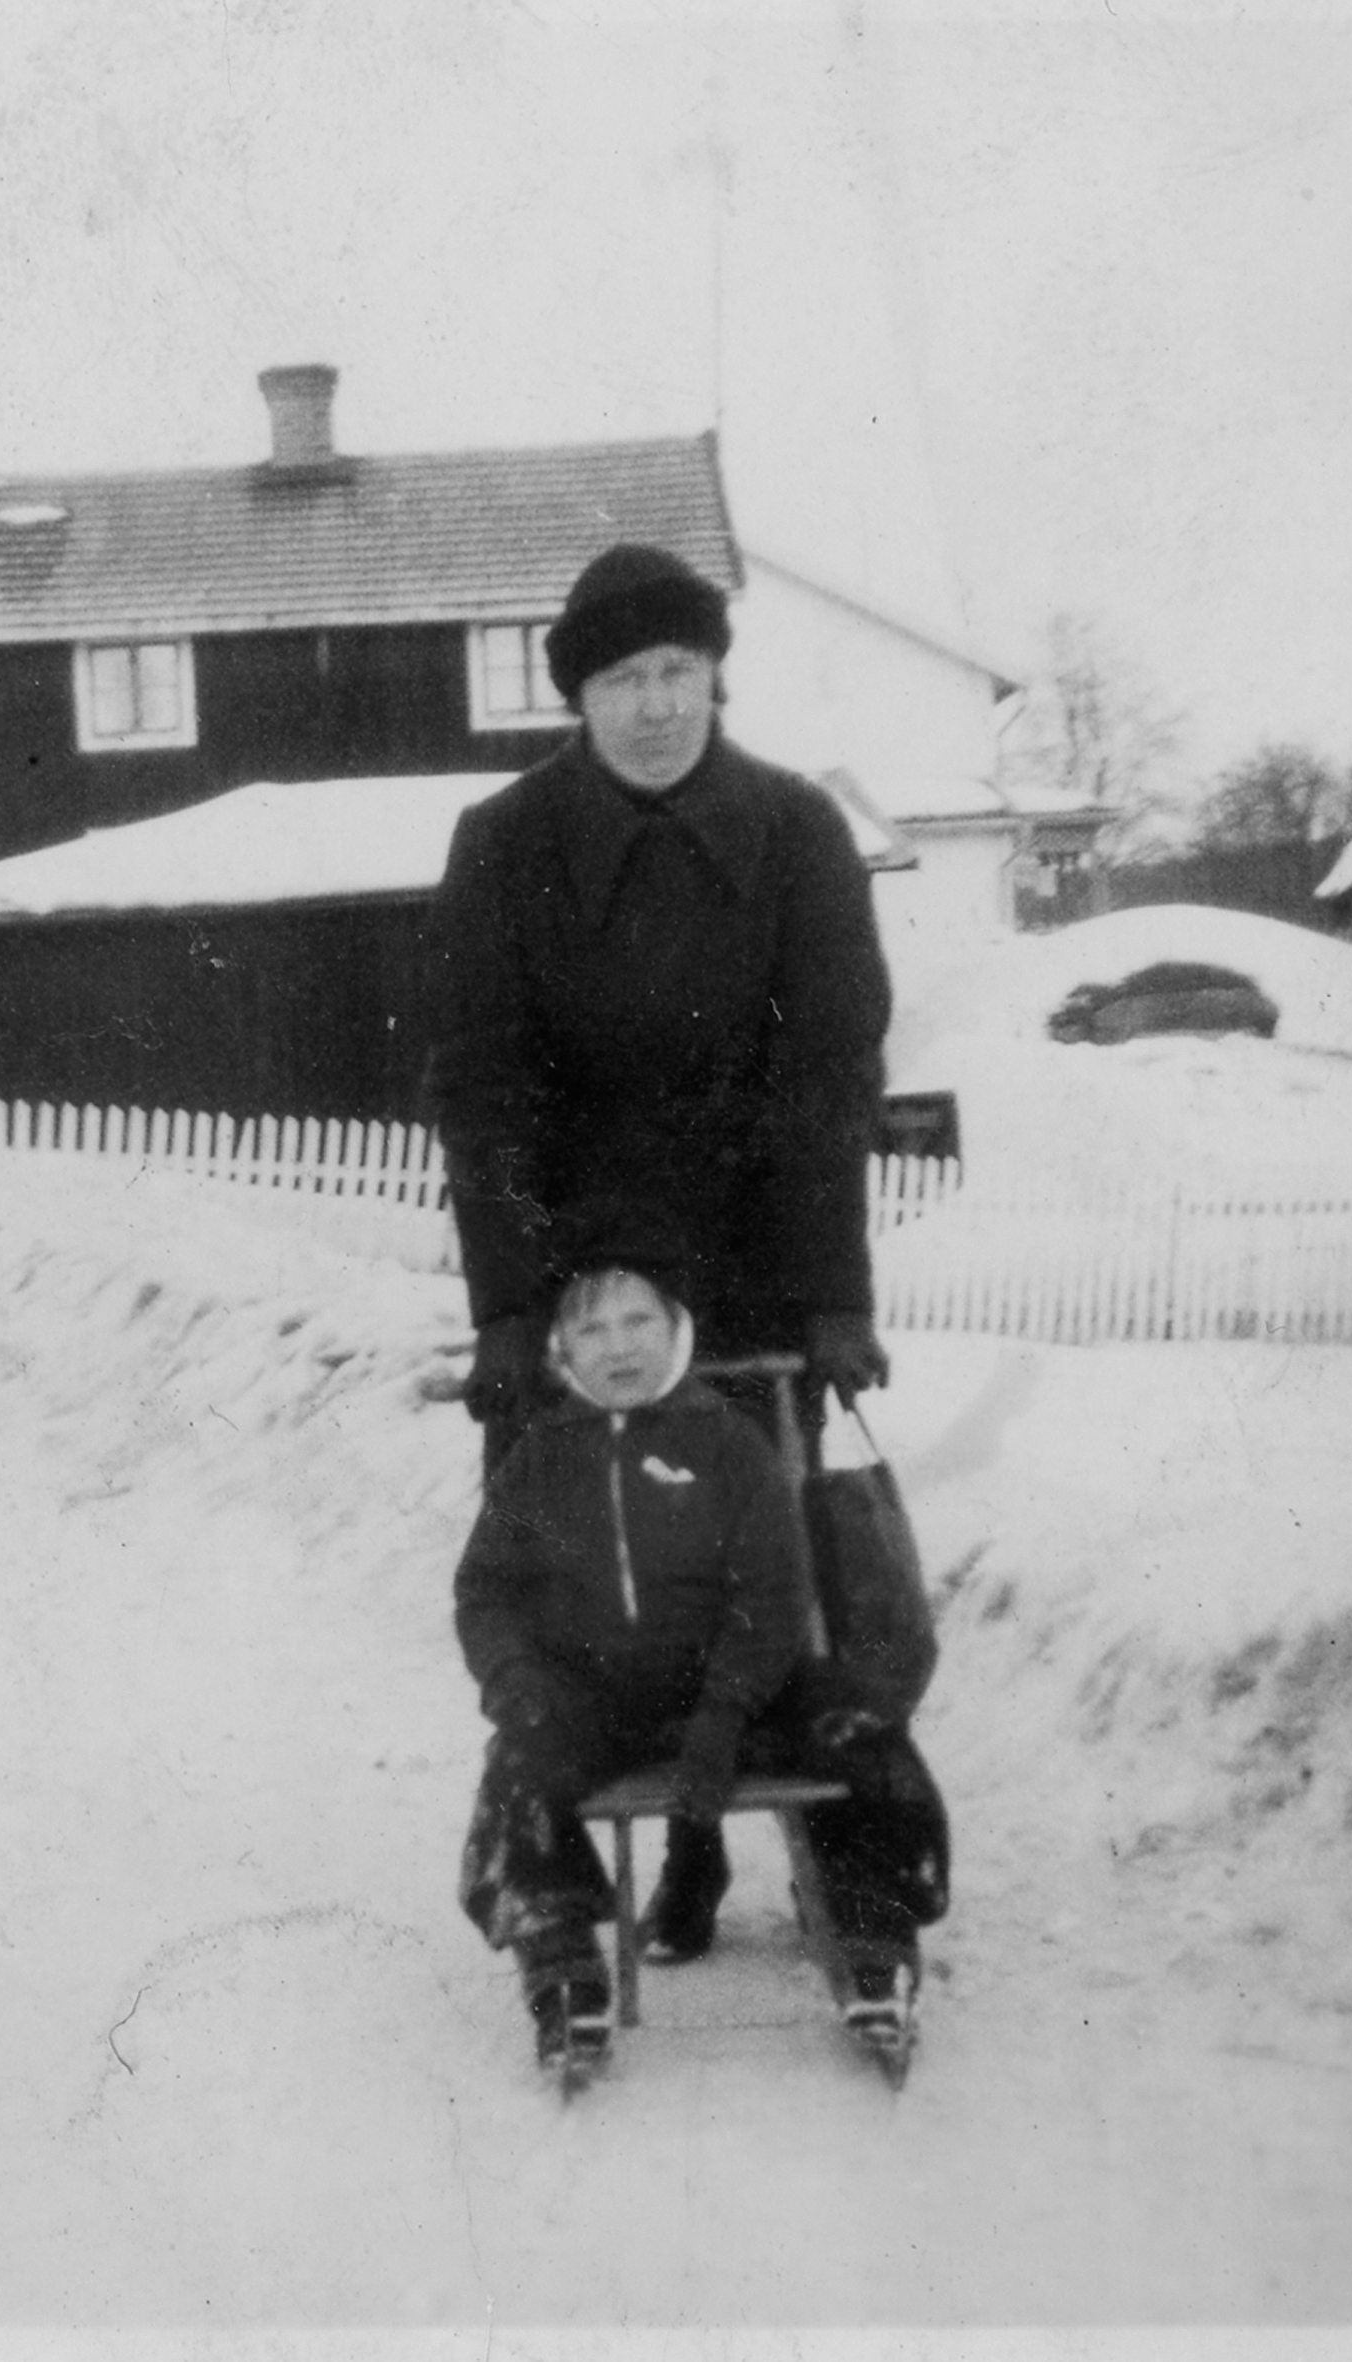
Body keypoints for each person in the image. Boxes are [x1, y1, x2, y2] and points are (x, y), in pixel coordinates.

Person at [424, 538, 898, 1960]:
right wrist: (512, 1313)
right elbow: (482, 1091)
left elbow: (832, 1075)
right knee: (576, 1596)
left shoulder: (798, 831)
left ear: (714, 677)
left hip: (748, 1276)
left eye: (677, 670)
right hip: (585, 1298)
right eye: (623, 678)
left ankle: (749, 1852)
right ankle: (557, 1885)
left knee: (761, 1578)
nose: (653, 705)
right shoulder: (502, 843)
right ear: (576, 696)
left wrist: (832, 1295)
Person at [452, 1213, 949, 2068]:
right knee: (516, 1771)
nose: (618, 1347)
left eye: (638, 1321)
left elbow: (772, 1591)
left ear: (675, 1326)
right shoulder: (539, 1459)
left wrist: (724, 1710)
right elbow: (486, 1590)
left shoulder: (727, 1443)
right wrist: (514, 1678)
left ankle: (875, 1941)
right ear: (562, 1348)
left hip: (739, 1697)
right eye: (591, 1329)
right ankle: (561, 1967)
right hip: (598, 1703)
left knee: (864, 1730)